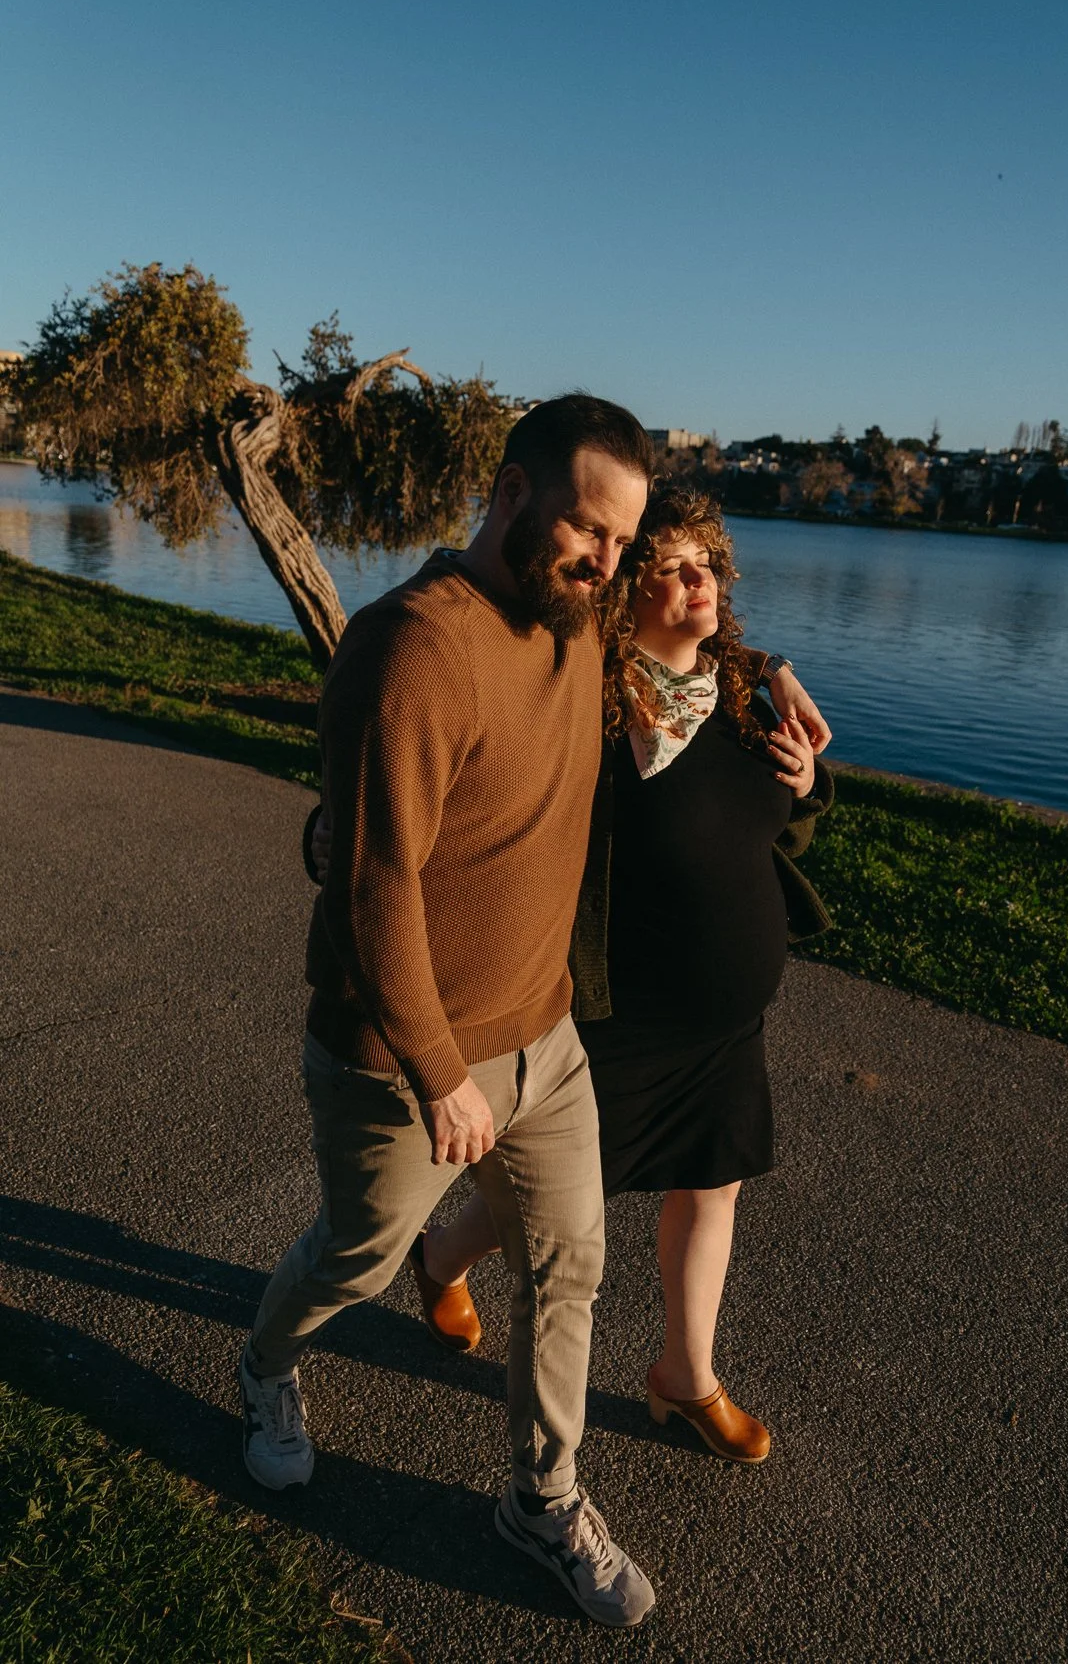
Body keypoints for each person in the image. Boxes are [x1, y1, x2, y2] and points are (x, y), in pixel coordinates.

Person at [241, 393, 662, 1629]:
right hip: (403, 1058)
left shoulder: (578, 621)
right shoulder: (414, 645)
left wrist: (772, 685)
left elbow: (693, 615)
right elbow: (374, 882)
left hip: (546, 1039)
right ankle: (264, 1365)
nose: (606, 563)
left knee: (569, 1265)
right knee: (357, 1256)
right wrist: (438, 1069)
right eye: (589, 530)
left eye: (622, 543)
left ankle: (540, 1497)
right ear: (511, 493)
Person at [308, 485, 833, 1468]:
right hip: (619, 1009)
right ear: (625, 590)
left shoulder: (736, 693)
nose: (699, 582)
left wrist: (805, 775)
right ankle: (440, 1255)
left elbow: (770, 824)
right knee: (559, 1196)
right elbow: (481, 786)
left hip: (724, 1023)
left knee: (711, 1186)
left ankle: (684, 1375)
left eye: (708, 564)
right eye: (670, 567)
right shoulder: (581, 700)